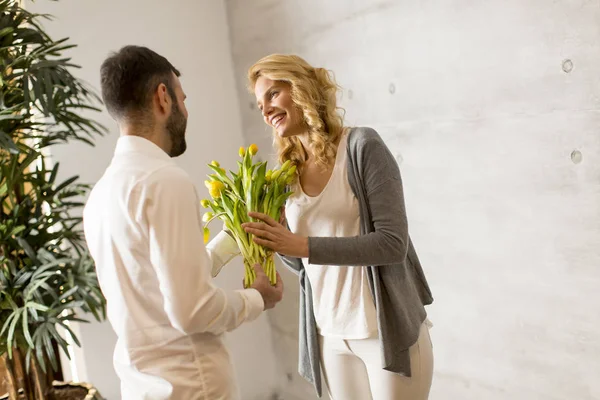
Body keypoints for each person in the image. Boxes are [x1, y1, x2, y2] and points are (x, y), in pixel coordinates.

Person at [83, 45, 283, 400]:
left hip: (141, 388)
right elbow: (192, 311)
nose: (186, 110)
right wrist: (258, 298)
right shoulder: (164, 180)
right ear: (163, 98)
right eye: (182, 98)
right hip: (193, 386)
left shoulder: (100, 195)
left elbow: (159, 283)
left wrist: (232, 238)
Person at [241, 54, 434, 400]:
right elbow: (303, 266)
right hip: (329, 335)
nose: (266, 109)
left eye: (272, 94)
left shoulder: (362, 147)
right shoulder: (287, 173)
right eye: (259, 104)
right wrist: (279, 243)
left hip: (381, 330)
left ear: (299, 87)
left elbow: (392, 244)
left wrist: (301, 245)